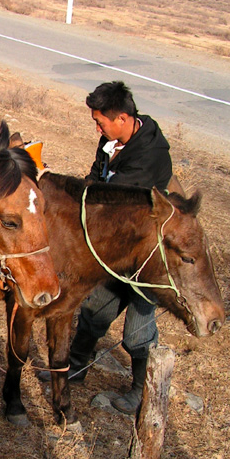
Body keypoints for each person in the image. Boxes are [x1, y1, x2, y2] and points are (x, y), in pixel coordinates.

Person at [47, 80, 174, 415]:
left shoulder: (150, 155)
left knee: (137, 334)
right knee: (94, 310)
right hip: (114, 251)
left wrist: (63, 187)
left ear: (122, 118)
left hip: (145, 256)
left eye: (101, 122)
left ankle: (141, 390)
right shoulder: (111, 141)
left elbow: (110, 198)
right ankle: (75, 366)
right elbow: (95, 179)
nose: (98, 128)